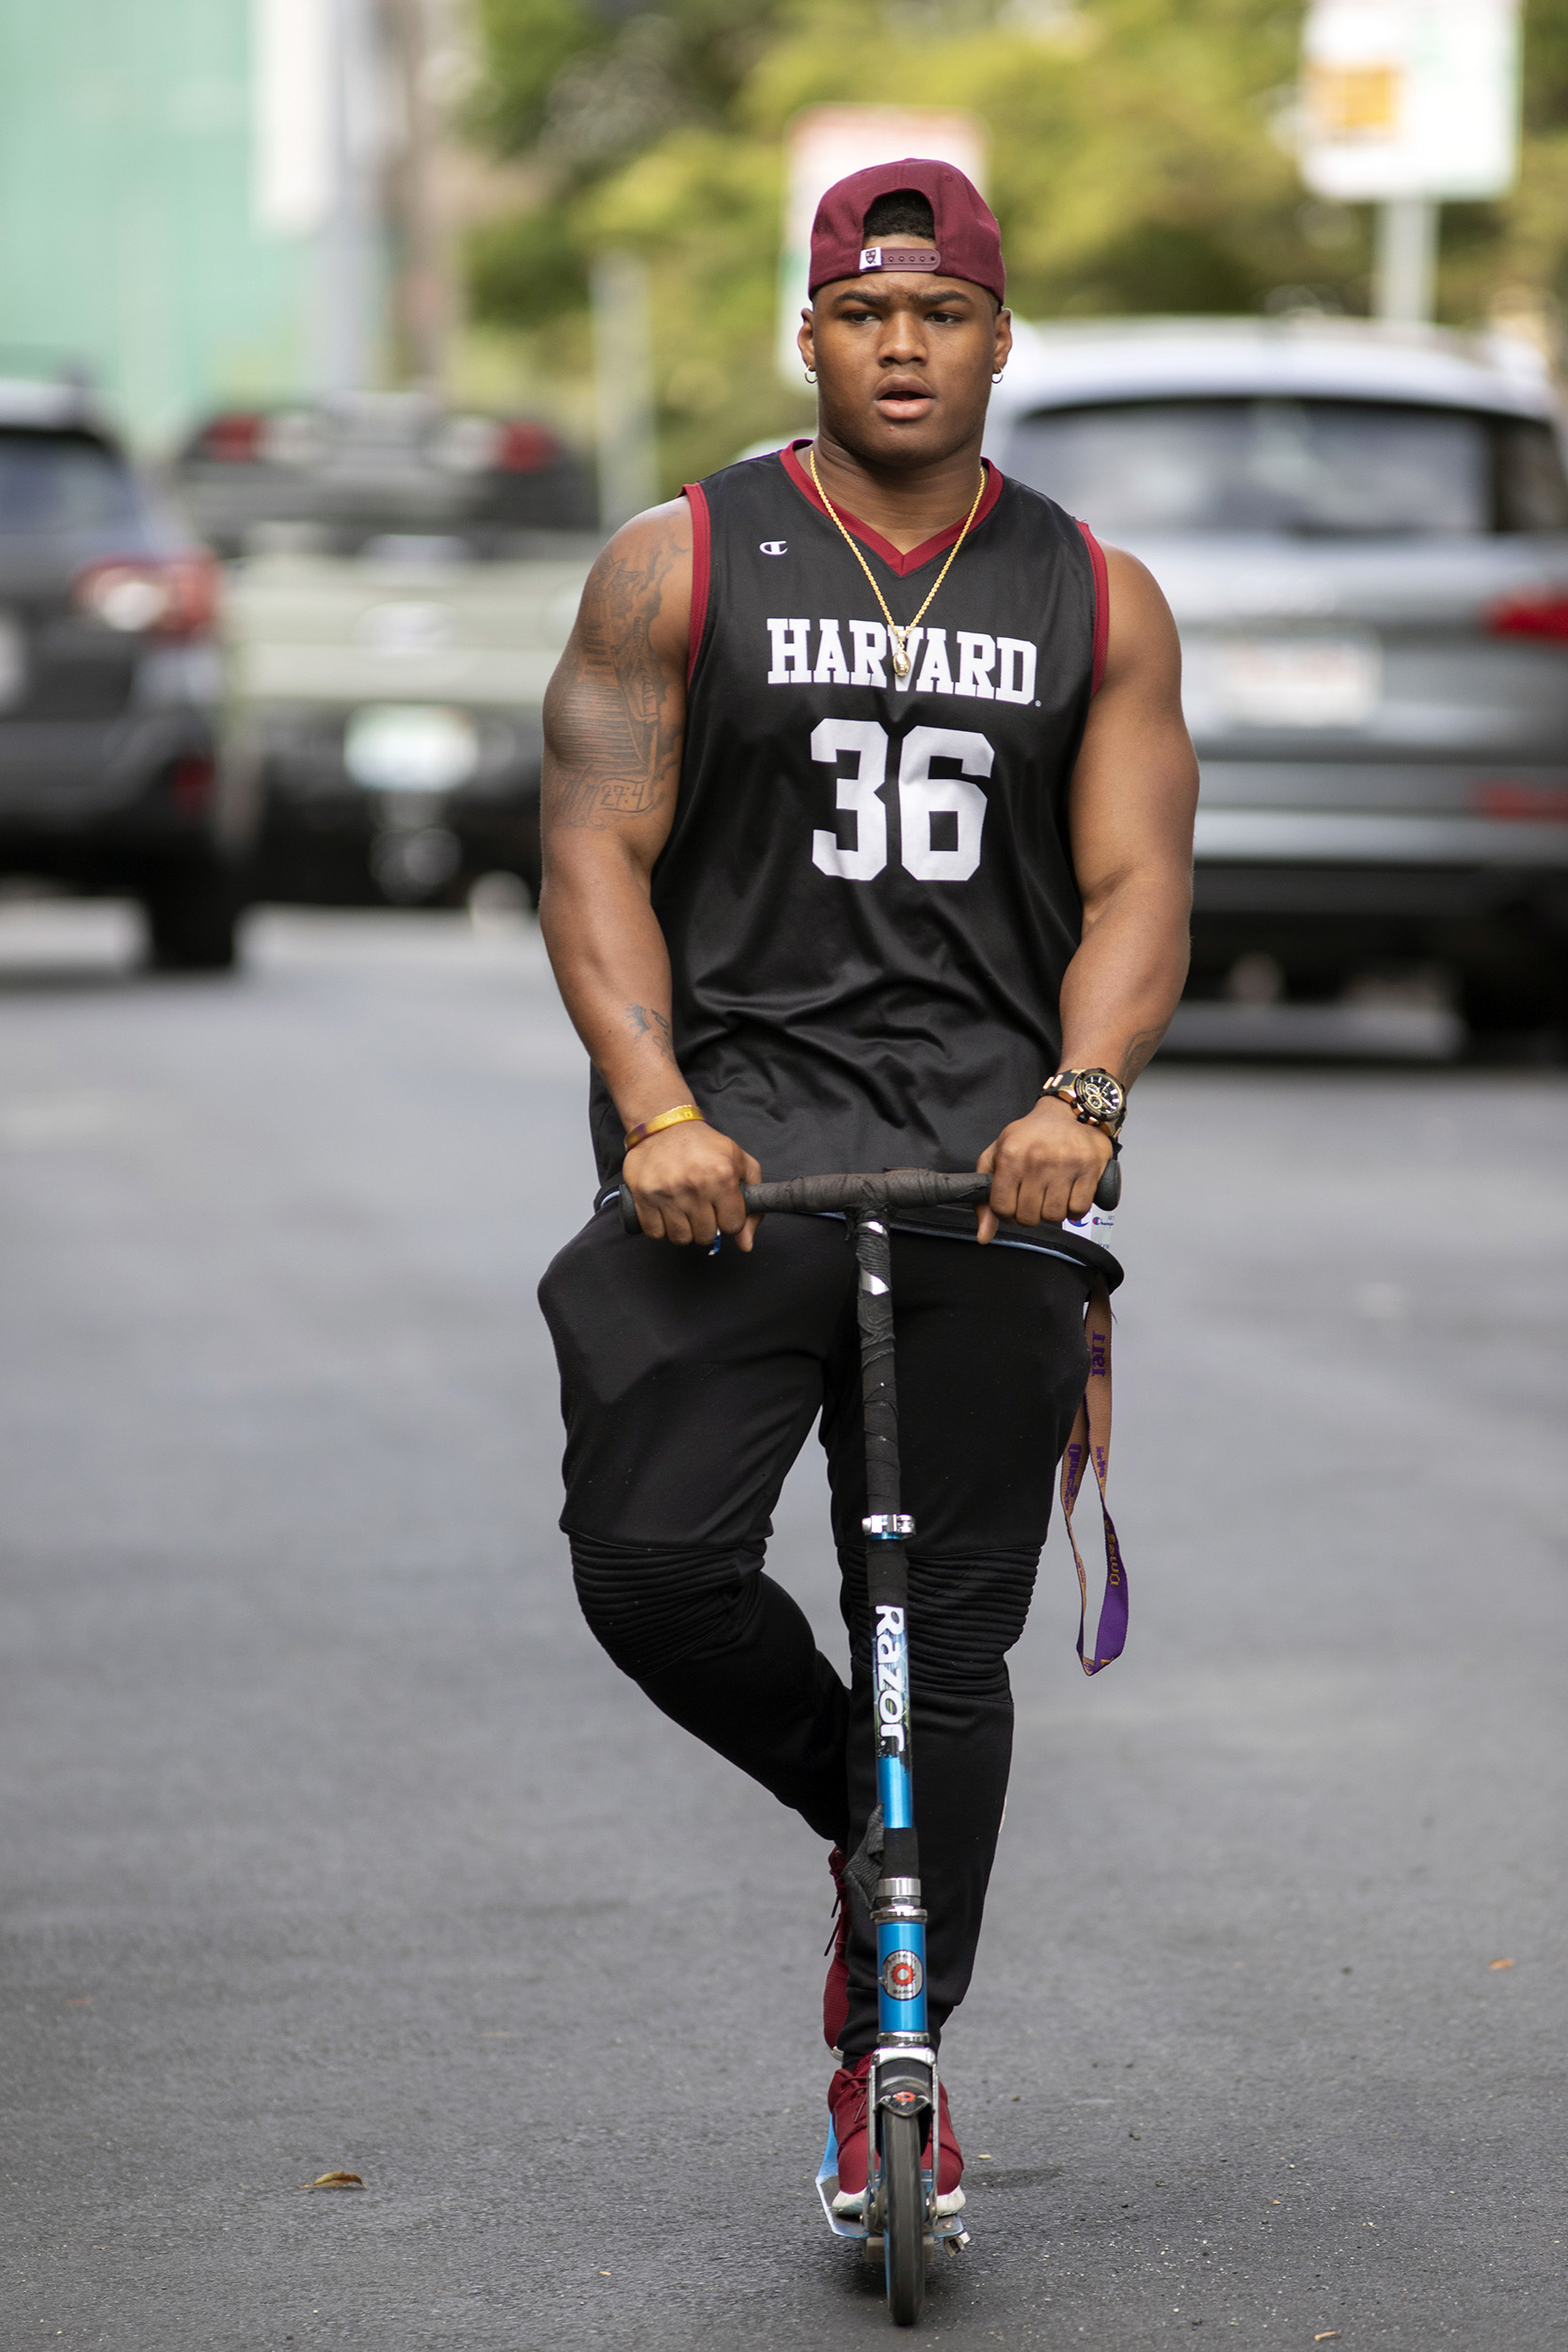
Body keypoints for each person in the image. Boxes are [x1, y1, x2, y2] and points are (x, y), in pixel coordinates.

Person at [536, 157, 1197, 2212]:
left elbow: (1137, 883)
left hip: (985, 1179)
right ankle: (870, 1810)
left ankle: (888, 2059)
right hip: (726, 1176)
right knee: (651, 1569)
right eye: (861, 315)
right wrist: (654, 1103)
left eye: (942, 315)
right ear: (808, 337)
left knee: (955, 1648)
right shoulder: (679, 564)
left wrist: (1085, 1086)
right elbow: (592, 860)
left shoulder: (1097, 593)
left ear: (999, 339)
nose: (900, 346)